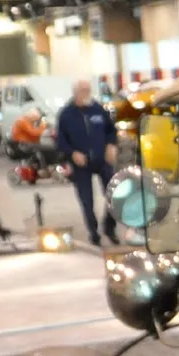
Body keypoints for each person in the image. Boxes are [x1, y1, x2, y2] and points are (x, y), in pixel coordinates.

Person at [56, 80, 119, 247]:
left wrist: (111, 145)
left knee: (114, 194)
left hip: (102, 160)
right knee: (86, 200)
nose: (86, 93)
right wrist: (72, 153)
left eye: (88, 90)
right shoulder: (66, 114)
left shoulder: (98, 109)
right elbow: (61, 141)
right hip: (81, 164)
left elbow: (111, 131)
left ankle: (110, 227)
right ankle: (93, 232)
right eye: (83, 90)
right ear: (75, 92)